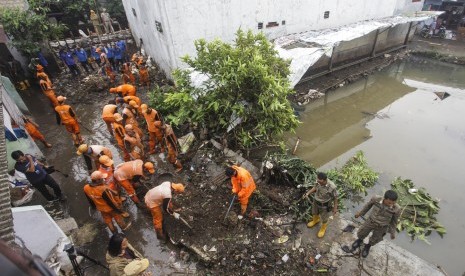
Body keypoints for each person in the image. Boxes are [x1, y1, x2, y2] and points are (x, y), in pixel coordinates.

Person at [343, 190, 400, 258]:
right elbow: (367, 206)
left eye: (394, 203)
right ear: (385, 198)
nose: (392, 205)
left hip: (382, 226)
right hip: (370, 221)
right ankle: (359, 241)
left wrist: (392, 233)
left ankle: (368, 246)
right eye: (390, 203)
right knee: (362, 232)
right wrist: (360, 213)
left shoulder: (396, 209)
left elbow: (394, 221)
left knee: (375, 238)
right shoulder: (376, 199)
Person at [303, 172, 338, 238]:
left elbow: (335, 198)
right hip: (316, 201)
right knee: (314, 212)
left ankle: (323, 229)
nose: (318, 182)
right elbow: (315, 187)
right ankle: (315, 220)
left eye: (320, 182)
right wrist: (308, 193)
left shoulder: (332, 187)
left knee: (324, 218)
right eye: (318, 181)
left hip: (324, 205)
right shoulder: (318, 181)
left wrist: (335, 208)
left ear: (324, 180)